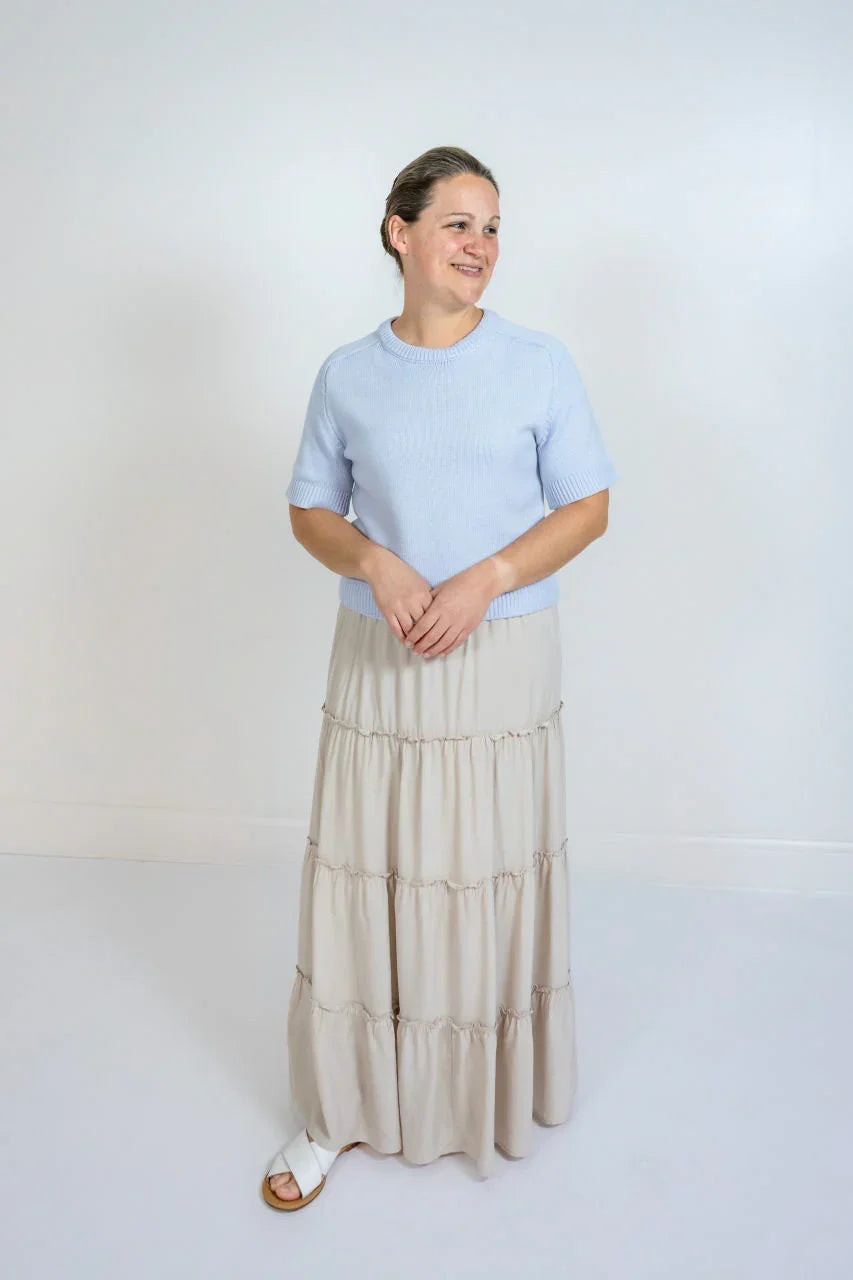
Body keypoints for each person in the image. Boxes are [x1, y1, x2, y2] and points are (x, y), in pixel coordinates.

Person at [262, 145, 619, 1209]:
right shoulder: (347, 373)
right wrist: (376, 562)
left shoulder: (539, 362)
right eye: (459, 222)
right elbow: (310, 509)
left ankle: (478, 1099)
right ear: (399, 231)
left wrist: (487, 578)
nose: (481, 245)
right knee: (368, 872)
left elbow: (588, 505)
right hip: (382, 653)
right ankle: (340, 1107)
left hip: (499, 660)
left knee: (481, 870)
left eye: (493, 227)